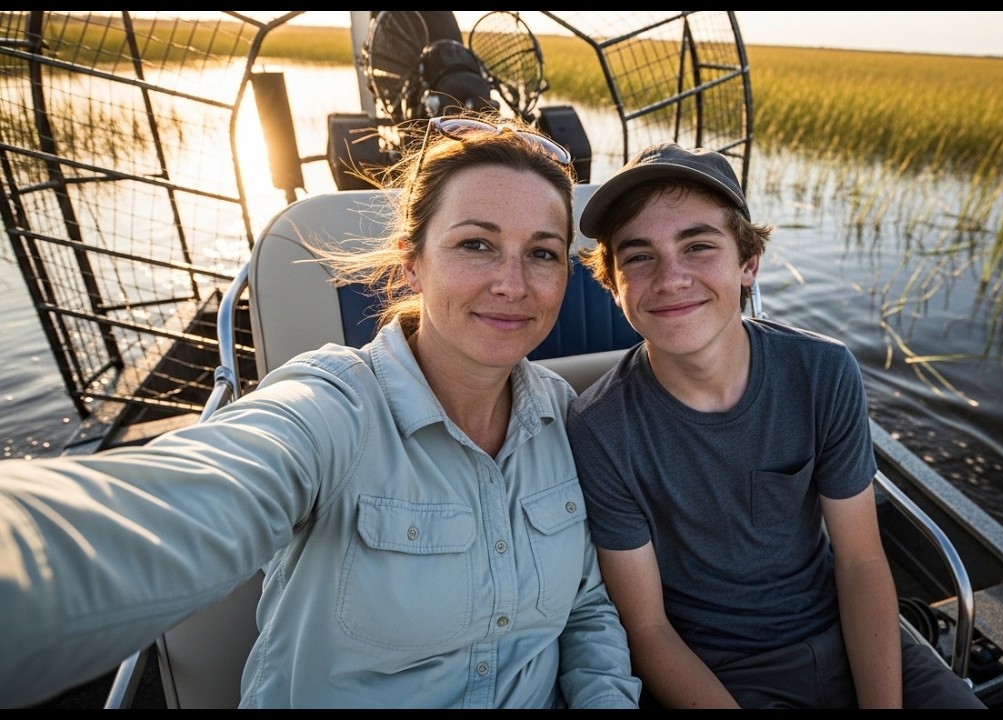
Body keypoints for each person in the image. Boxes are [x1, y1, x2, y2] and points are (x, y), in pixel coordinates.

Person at [0, 113, 640, 709]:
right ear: (412, 261)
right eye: (476, 244)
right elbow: (182, 504)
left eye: (542, 252)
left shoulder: (565, 416)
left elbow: (585, 606)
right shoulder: (333, 406)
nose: (512, 283)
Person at [565, 141, 987, 709]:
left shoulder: (821, 371)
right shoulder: (599, 428)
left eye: (698, 246)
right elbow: (649, 629)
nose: (670, 278)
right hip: (718, 672)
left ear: (748, 263)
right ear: (613, 286)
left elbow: (861, 562)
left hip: (847, 630)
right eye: (638, 257)